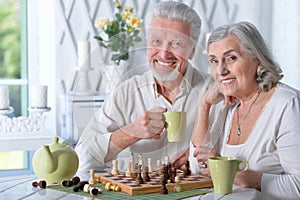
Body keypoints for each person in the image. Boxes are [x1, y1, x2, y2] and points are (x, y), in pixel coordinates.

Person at [75, 1, 213, 175]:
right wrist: (130, 132)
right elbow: (82, 159)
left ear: (192, 50)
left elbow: (242, 158)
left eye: (176, 44)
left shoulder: (216, 92)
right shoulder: (127, 92)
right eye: (157, 41)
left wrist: (199, 159)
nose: (163, 54)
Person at [190, 21, 300, 199]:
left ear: (257, 58)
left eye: (231, 58)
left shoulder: (288, 105)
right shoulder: (228, 106)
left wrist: (245, 177)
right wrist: (204, 105)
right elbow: (198, 167)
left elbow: (298, 187)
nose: (221, 70)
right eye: (214, 61)